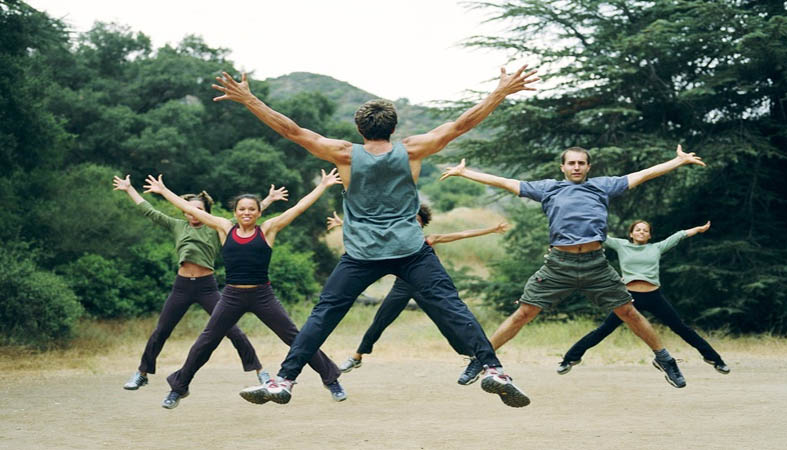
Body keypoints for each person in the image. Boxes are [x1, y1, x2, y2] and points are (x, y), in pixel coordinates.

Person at [215, 65, 539, 408]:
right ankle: (492, 369)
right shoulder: (412, 150)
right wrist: (499, 93)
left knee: (324, 314)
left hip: (361, 254)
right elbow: (461, 124)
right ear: (394, 128)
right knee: (451, 306)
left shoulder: (344, 153)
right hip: (410, 250)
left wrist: (250, 99)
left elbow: (293, 131)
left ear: (359, 128)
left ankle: (284, 380)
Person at [440, 145, 706, 389]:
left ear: (588, 167)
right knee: (524, 313)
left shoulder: (603, 186)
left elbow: (643, 174)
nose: (576, 167)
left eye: (581, 163)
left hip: (595, 264)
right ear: (563, 167)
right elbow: (508, 183)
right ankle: (482, 360)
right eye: (571, 163)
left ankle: (664, 358)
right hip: (559, 264)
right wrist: (466, 173)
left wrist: (677, 161)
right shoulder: (548, 189)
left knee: (629, 311)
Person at [141, 170, 346, 409]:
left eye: (251, 209)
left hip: (262, 295)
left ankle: (331, 380)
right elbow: (194, 210)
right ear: (235, 212)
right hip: (232, 296)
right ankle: (178, 388)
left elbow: (298, 208)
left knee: (297, 338)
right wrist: (164, 191)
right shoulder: (224, 227)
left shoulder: (268, 229)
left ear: (259, 212)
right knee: (206, 341)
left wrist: (322, 186)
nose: (246, 213)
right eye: (242, 209)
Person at [112, 175, 288, 391]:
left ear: (205, 212)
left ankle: (260, 372)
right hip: (182, 287)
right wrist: (130, 189)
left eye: (197, 209)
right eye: (188, 209)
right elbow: (149, 210)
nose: (192, 213)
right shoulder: (176, 225)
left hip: (207, 287)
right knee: (161, 330)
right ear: (184, 211)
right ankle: (142, 373)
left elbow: (247, 215)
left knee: (233, 331)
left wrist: (268, 199)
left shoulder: (217, 227)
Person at [326, 207, 509, 382]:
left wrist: (492, 229)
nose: (414, 223)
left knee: (446, 323)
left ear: (422, 224)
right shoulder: (396, 239)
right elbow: (371, 231)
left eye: (418, 221)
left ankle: (473, 357)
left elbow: (462, 234)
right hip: (402, 287)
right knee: (380, 320)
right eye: (411, 220)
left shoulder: (428, 239)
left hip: (425, 288)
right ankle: (357, 356)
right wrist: (343, 223)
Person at [557, 220, 730, 375]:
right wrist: (574, 223)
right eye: (638, 230)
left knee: (681, 328)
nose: (641, 232)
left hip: (654, 296)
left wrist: (698, 229)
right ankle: (569, 359)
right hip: (629, 298)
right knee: (604, 329)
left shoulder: (656, 247)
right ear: (631, 234)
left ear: (649, 235)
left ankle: (715, 360)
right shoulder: (621, 245)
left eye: (645, 230)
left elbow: (679, 235)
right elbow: (598, 235)